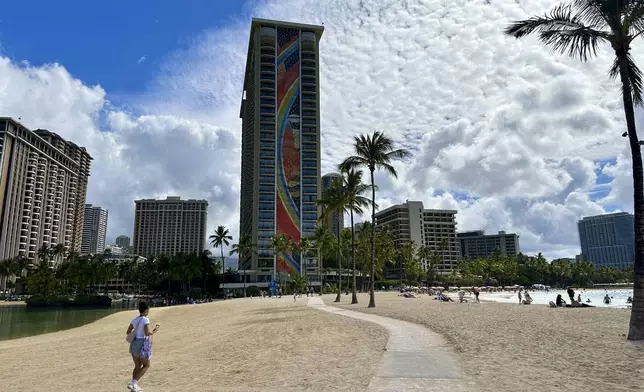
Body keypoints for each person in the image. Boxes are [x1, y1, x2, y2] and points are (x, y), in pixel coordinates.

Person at [126, 302, 160, 391]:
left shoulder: (135, 319)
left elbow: (128, 332)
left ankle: (133, 386)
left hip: (134, 343)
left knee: (137, 365)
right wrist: (154, 331)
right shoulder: (145, 319)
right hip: (141, 343)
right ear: (145, 311)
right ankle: (133, 383)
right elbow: (147, 333)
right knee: (146, 365)